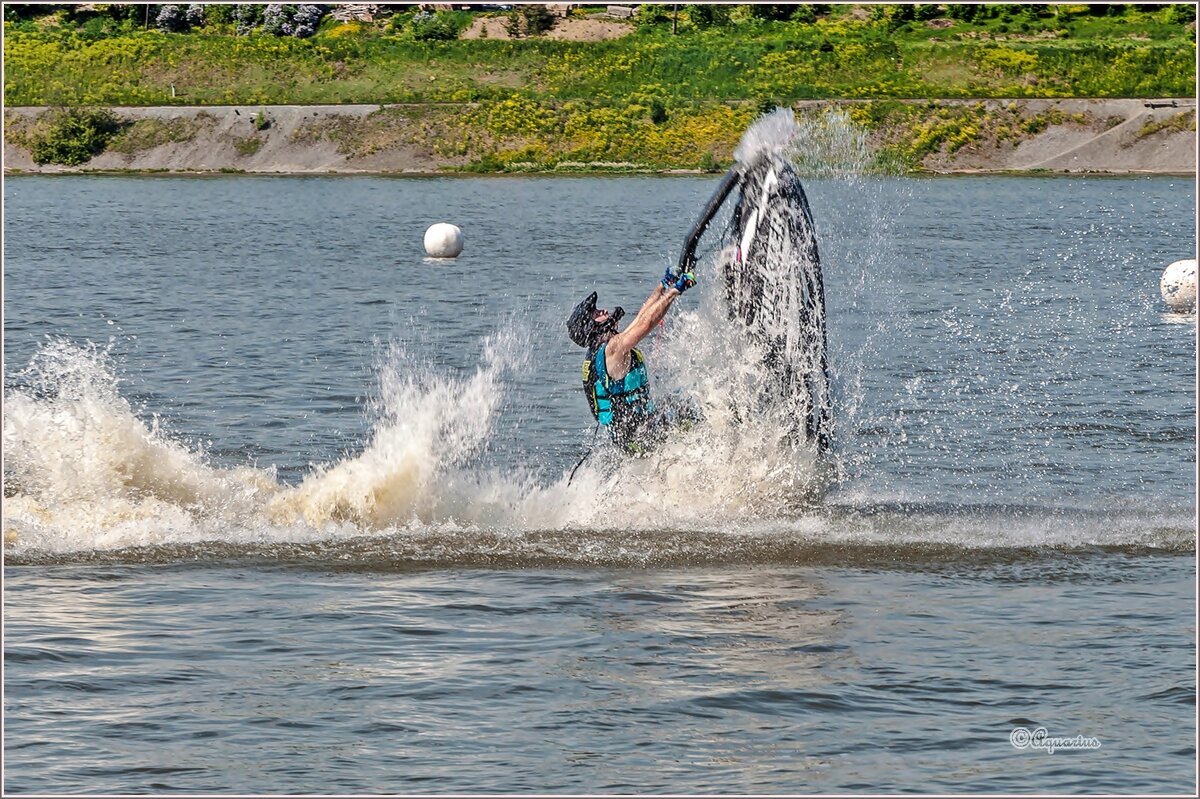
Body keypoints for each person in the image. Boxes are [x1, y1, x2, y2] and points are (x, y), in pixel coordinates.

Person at [566, 268, 698, 454]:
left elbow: (641, 317)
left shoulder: (606, 348)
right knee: (692, 412)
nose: (603, 310)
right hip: (638, 438)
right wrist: (675, 291)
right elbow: (646, 323)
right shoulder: (612, 349)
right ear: (590, 326)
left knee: (676, 400)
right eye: (595, 312)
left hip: (633, 433)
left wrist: (663, 285)